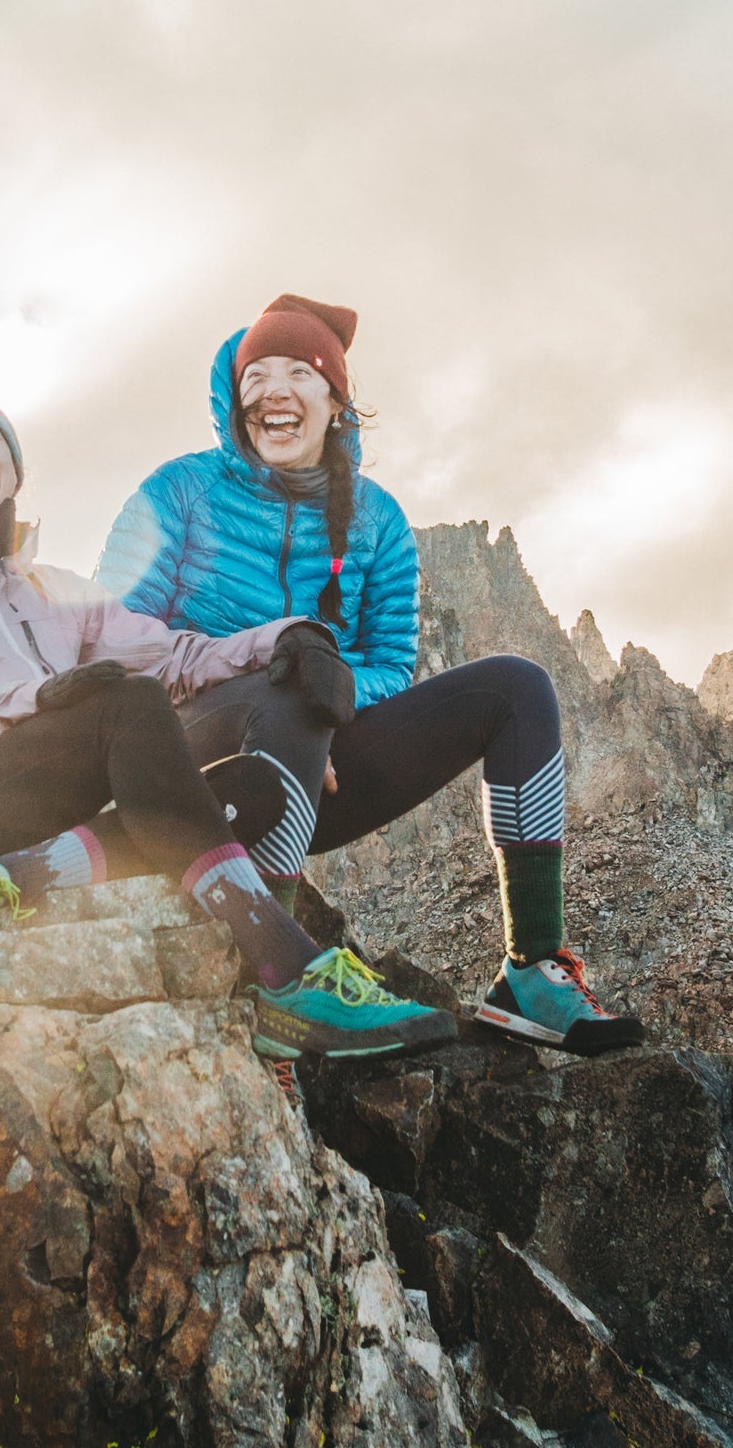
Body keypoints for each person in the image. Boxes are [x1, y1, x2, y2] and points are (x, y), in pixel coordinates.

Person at [0, 389, 465, 1062]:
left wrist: (286, 638)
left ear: (14, 467)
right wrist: (28, 701)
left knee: (255, 787)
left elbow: (172, 656)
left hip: (5, 832)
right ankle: (285, 968)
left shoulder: (59, 592)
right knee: (128, 704)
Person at [95, 296, 642, 1056]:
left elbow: (390, 666)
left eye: (300, 373)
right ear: (236, 399)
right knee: (294, 670)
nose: (276, 390)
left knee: (516, 689)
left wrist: (324, 712)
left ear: (335, 402)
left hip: (319, 768)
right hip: (193, 763)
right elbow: (112, 645)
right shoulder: (178, 492)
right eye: (257, 375)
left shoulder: (377, 520)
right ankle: (276, 983)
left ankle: (530, 970)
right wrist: (277, 683)